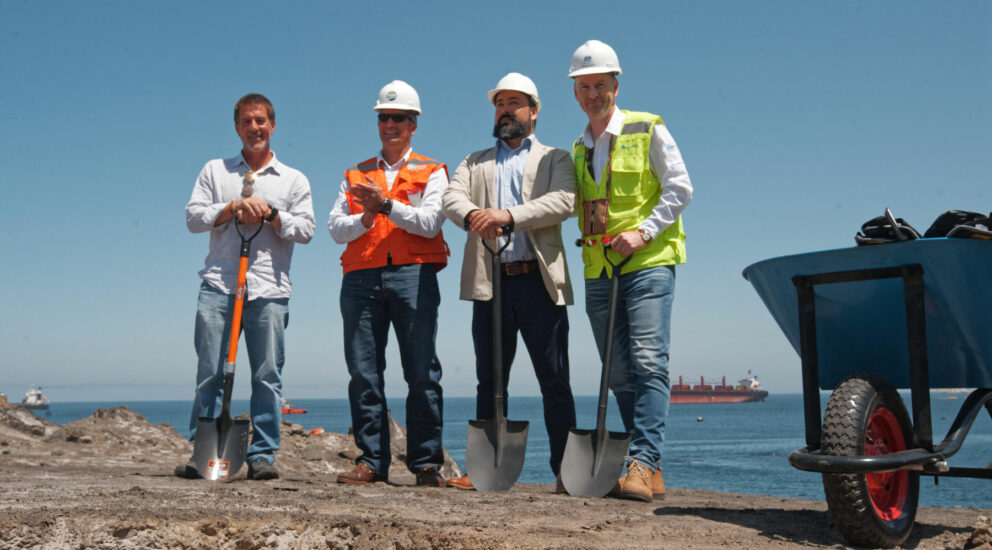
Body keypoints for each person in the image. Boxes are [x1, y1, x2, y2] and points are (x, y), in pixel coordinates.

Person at [568, 40, 693, 502]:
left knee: (647, 362)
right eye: (584, 86)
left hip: (647, 263)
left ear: (615, 86)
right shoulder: (577, 148)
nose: (593, 93)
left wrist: (643, 232)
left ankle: (641, 461)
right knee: (617, 372)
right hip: (599, 268)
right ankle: (650, 468)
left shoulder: (648, 127)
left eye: (601, 84)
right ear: (575, 92)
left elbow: (680, 188)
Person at [442, 73, 577, 491]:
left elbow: (565, 201)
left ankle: (565, 472)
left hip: (538, 281)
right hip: (491, 282)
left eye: (514, 102)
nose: (505, 110)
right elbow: (451, 197)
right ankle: (484, 471)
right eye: (500, 103)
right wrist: (474, 217)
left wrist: (507, 216)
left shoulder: (556, 158)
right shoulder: (474, 159)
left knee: (554, 379)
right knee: (490, 378)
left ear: (533, 111)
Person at [179, 93, 315, 480]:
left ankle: (262, 455)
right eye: (246, 121)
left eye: (261, 121)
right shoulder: (215, 170)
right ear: (237, 127)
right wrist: (231, 208)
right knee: (209, 370)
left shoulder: (293, 179)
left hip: (269, 289)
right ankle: (201, 452)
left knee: (267, 374)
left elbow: (306, 230)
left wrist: (272, 214)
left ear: (272, 126)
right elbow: (193, 218)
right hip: (218, 284)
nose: (254, 127)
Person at [329, 80, 449, 487]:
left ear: (413, 124)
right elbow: (335, 228)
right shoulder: (356, 173)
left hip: (414, 274)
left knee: (422, 372)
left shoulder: (433, 171)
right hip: (361, 276)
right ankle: (371, 461)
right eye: (384, 117)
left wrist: (384, 206)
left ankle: (427, 464)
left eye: (399, 117)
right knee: (364, 372)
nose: (390, 124)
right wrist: (366, 218)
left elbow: (431, 222)